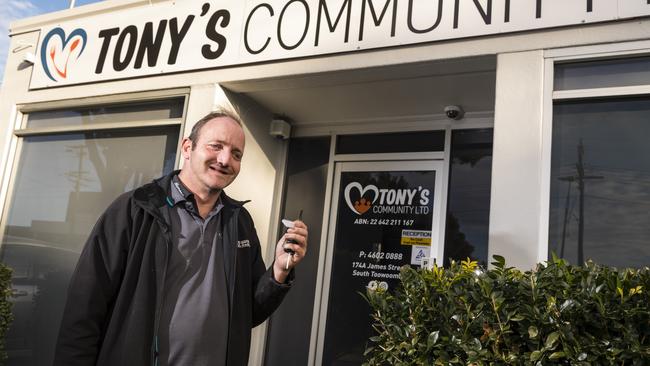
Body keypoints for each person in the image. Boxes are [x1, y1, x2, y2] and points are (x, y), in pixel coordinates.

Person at [53, 110, 308, 366]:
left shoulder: (239, 222)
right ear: (188, 147)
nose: (225, 159)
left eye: (236, 154)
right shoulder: (136, 209)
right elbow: (84, 308)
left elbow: (248, 314)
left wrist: (278, 272)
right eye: (216, 146)